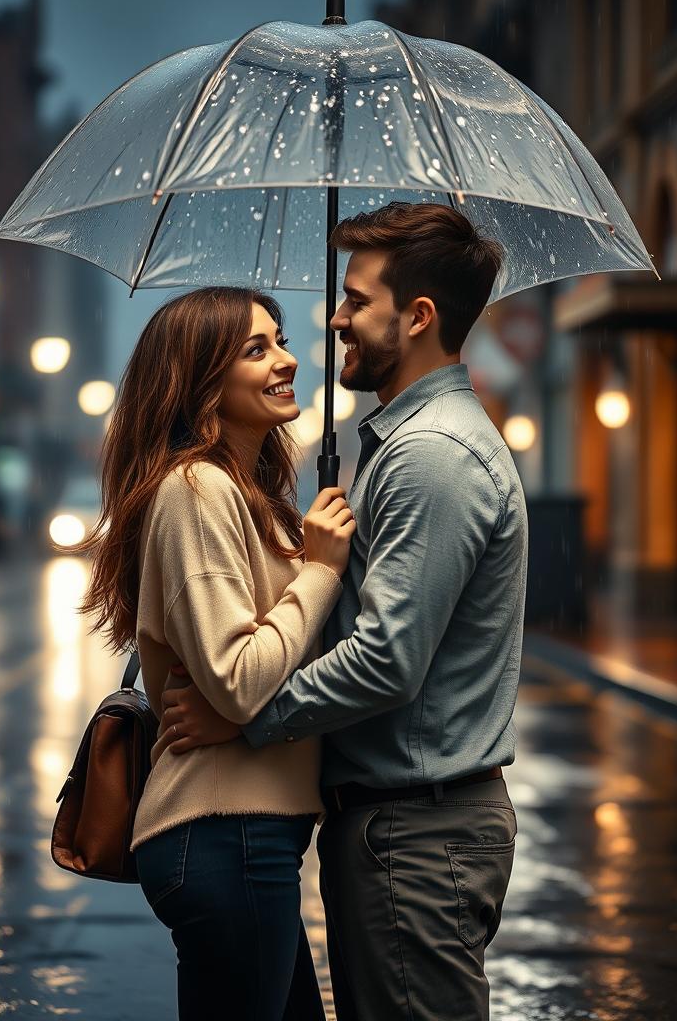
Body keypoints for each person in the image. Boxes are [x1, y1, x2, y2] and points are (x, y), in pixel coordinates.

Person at [162, 202, 528, 1020]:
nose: (334, 318)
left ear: (420, 316)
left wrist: (246, 716)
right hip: (400, 828)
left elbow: (386, 660)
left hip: (417, 833)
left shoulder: (432, 455)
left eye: (357, 300)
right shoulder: (397, 444)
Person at [73, 286, 355, 1020]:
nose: (287, 360)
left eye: (280, 339)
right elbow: (236, 679)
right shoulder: (196, 490)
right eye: (255, 350)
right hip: (226, 833)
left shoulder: (244, 493)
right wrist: (321, 570)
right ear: (199, 383)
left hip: (245, 837)